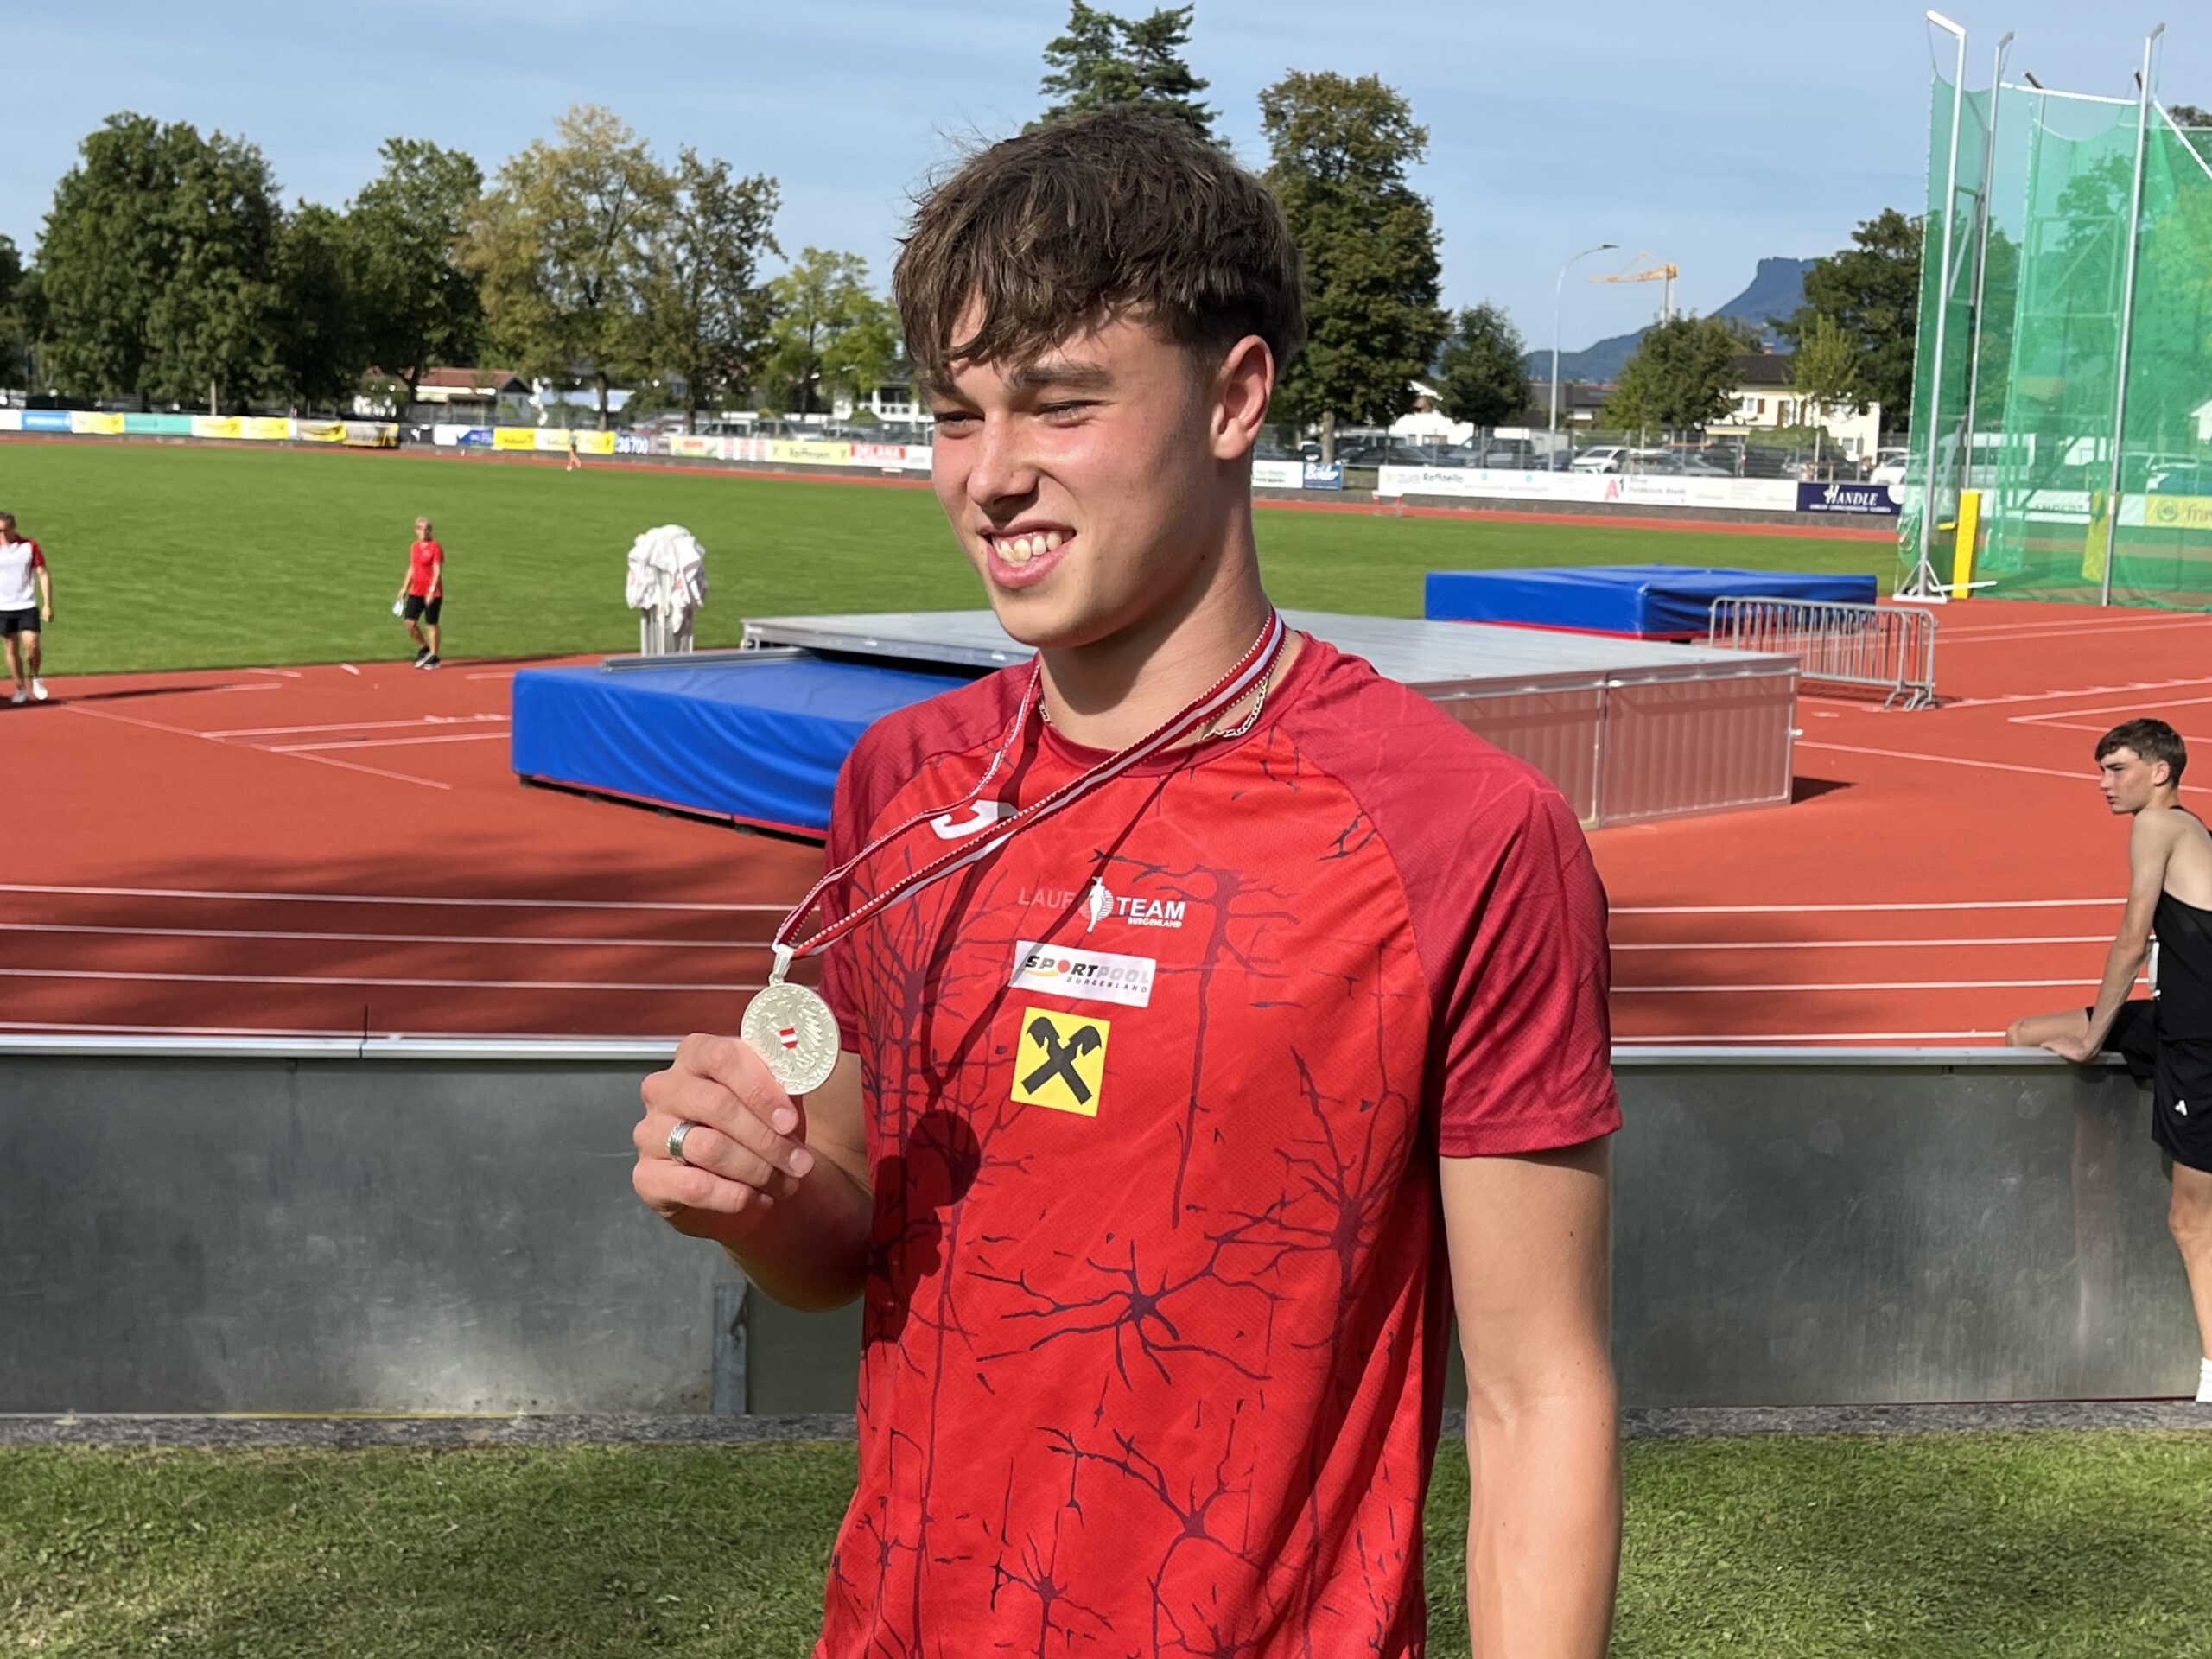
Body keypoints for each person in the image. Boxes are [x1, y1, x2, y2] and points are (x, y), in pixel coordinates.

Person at [631, 111, 1621, 1656]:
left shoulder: (1464, 833)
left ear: (1235, 397)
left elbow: (1536, 1390)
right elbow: (853, 1240)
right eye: (955, 415)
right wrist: (757, 1198)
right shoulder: (900, 784)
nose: (990, 477)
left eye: (1060, 404)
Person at [2011, 717, 2212, 1404]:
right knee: (2025, 1032)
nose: (2103, 783)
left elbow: (2131, 939)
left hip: (2199, 1047)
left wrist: (2093, 1039)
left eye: (2117, 768)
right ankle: (2065, 1174)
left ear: (2160, 771)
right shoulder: (2194, 830)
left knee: (2191, 1222)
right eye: (2102, 769)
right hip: (2173, 1024)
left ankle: (2211, 1377)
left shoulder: (2159, 825)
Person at [0, 511, 53, 705]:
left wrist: (47, 605)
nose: (2, 535)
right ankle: (20, 688)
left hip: (26, 604)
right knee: (10, 647)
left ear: (13, 528)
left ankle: (35, 676)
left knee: (32, 643)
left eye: (5, 530)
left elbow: (43, 574)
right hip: (3, 606)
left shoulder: (29, 546)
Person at [395, 516, 443, 669]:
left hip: (432, 593)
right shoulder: (414, 547)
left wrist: (432, 590)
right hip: (416, 590)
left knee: (431, 624)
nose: (425, 532)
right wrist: (405, 587)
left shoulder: (435, 547)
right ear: (416, 530)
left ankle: (434, 657)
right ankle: (424, 649)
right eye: (421, 529)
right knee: (409, 622)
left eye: (427, 529)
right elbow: (413, 567)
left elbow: (437, 570)